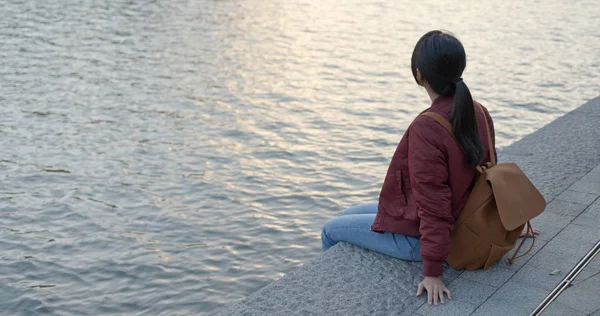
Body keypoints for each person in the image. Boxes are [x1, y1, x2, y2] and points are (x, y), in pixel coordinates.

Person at [321, 30, 539, 306]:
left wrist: (432, 271)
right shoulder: (478, 109)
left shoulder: (427, 127)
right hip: (465, 215)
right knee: (347, 214)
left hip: (428, 236)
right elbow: (488, 172)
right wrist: (506, 220)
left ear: (418, 74)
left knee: (330, 229)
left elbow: (434, 203)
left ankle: (335, 300)